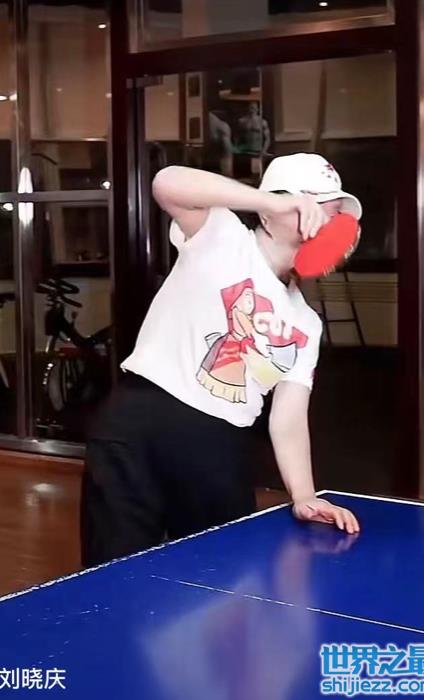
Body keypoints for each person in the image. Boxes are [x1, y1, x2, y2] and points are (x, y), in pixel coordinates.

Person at [81, 153, 362, 568]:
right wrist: (272, 201)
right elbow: (166, 182)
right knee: (112, 577)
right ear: (270, 211)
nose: (326, 220)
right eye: (315, 205)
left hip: (219, 445)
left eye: (334, 212)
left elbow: (287, 416)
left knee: (217, 582)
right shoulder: (222, 235)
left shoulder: (305, 322)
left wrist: (304, 495)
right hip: (137, 426)